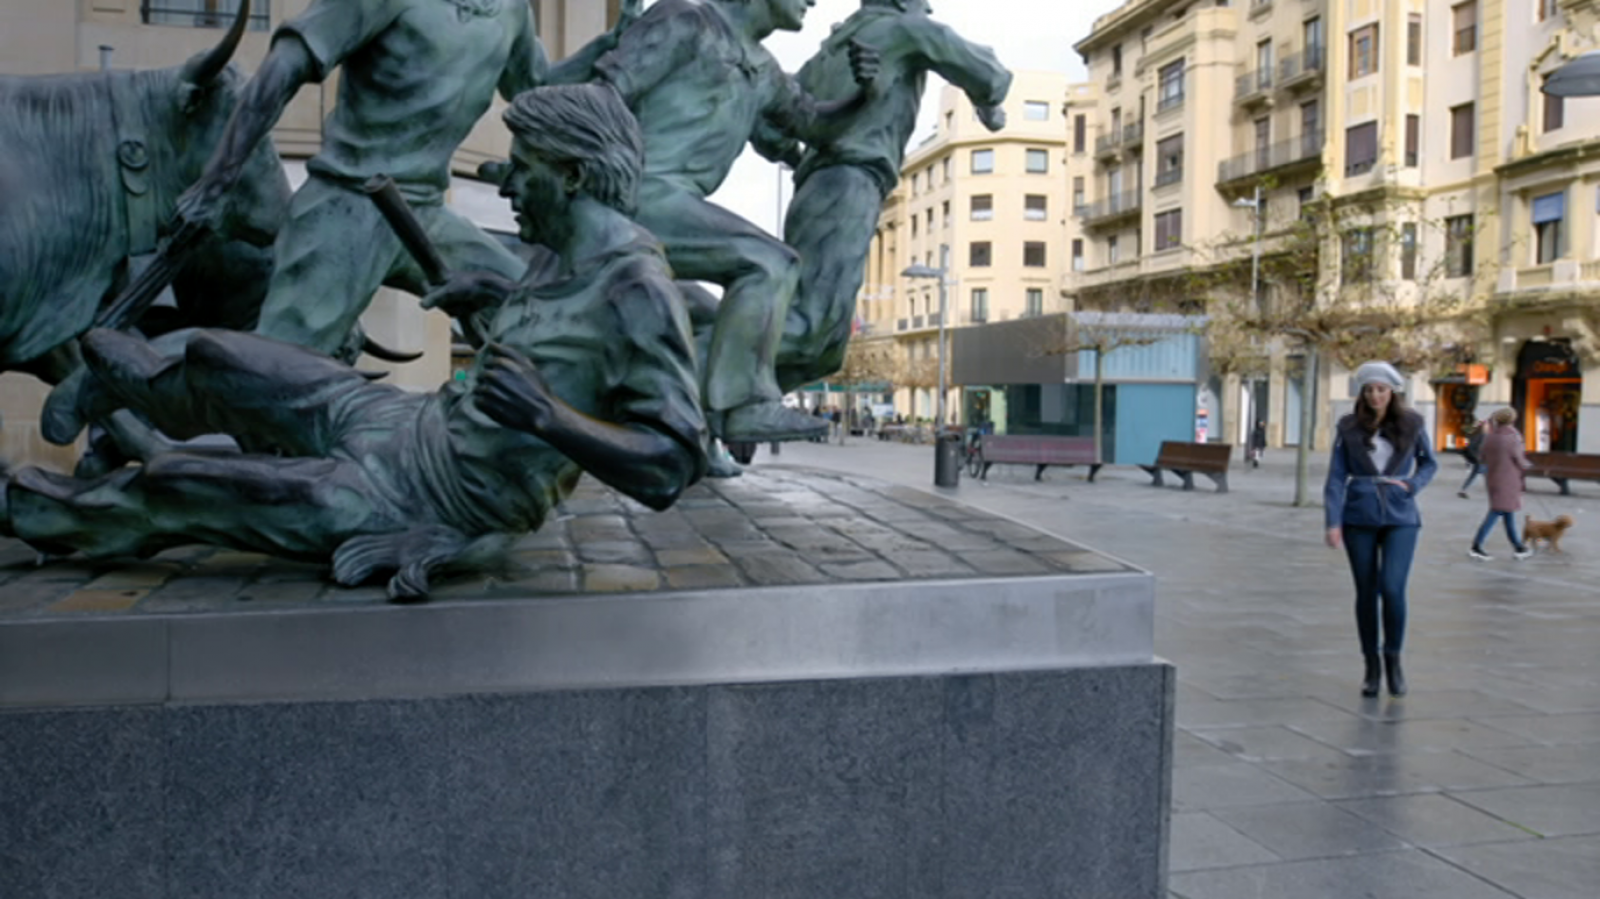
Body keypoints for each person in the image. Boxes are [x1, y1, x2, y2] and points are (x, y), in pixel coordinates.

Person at [2, 84, 705, 601]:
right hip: (405, 423)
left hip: (431, 498)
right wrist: (492, 295)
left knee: (174, 482)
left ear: (575, 175)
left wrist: (548, 416)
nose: (508, 181)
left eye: (524, 167)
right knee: (223, 357)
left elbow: (671, 465)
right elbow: (557, 327)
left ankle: (35, 508)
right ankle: (127, 380)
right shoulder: (558, 252)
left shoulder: (637, 292)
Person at [170, 0, 639, 356]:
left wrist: (606, 45)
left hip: (427, 213)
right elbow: (281, 70)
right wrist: (217, 182)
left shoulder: (510, 9)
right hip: (346, 203)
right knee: (274, 366)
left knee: (532, 316)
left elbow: (535, 88)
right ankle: (132, 397)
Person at [592, 0, 878, 444]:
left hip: (675, 201)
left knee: (711, 315)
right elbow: (606, 92)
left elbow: (815, 126)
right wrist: (597, 176)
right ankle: (745, 405)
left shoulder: (764, 70)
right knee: (770, 263)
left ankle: (695, 427)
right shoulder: (687, 22)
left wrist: (866, 92)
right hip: (637, 192)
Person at [773, 0, 1010, 392]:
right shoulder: (908, 29)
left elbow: (777, 121)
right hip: (851, 183)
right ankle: (699, 374)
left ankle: (733, 402)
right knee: (815, 330)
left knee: (825, 342)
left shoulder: (828, 52)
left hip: (812, 189)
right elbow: (990, 73)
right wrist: (987, 101)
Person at [1324, 361, 1438, 698]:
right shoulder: (1348, 427)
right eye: (1370, 389)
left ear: (1392, 392)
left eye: (1382, 390)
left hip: (1401, 516)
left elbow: (1430, 462)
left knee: (1392, 588)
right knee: (1366, 592)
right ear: (1362, 392)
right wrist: (1333, 521)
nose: (1375, 396)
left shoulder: (1412, 423)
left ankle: (1394, 661)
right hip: (1358, 514)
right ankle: (1371, 667)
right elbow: (1335, 477)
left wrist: (1412, 485)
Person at [1468, 408, 1534, 561]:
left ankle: (1518, 546)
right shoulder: (1513, 436)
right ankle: (1477, 545)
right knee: (1497, 511)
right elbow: (1519, 459)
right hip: (1509, 480)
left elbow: (1482, 456)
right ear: (1512, 420)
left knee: (1507, 512)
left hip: (1493, 478)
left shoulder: (1490, 437)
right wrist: (1527, 466)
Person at [1457, 419, 1487, 498]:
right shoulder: (1483, 436)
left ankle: (1463, 490)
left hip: (1479, 460)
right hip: (1482, 460)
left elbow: (1469, 446)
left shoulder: (1473, 435)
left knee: (1476, 475)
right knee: (1485, 474)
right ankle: (1463, 490)